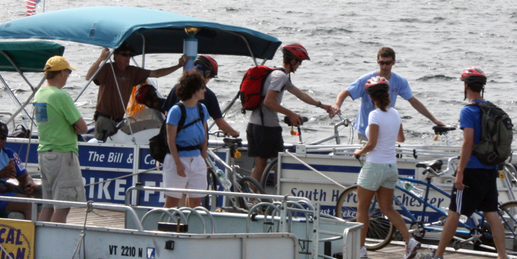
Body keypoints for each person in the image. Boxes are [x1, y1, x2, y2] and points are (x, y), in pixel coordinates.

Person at [419, 67, 514, 259]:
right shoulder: (492, 109)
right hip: (490, 168)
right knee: (492, 213)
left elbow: (468, 142)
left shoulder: (468, 111)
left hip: (472, 169)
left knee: (454, 213)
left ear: (466, 86)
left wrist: (460, 171)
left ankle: (438, 257)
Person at [246, 43, 339, 184]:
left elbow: (300, 94)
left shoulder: (276, 73)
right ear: (293, 61)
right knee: (278, 164)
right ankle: (278, 195)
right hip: (267, 128)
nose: (300, 65)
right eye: (300, 62)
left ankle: (252, 196)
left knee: (260, 165)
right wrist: (291, 114)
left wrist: (322, 105)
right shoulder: (280, 76)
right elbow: (268, 101)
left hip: (254, 125)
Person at [350, 76, 421, 259]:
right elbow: (401, 138)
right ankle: (409, 240)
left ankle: (360, 249)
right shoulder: (395, 113)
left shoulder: (374, 115)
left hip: (374, 166)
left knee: (362, 208)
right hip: (391, 167)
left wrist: (359, 151)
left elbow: (372, 144)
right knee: (387, 208)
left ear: (371, 97)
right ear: (388, 94)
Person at [333, 46, 445, 140]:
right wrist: (337, 105)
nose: (384, 66)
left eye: (388, 63)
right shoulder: (366, 79)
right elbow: (345, 92)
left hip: (385, 130)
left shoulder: (399, 81)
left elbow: (414, 101)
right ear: (377, 62)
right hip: (365, 129)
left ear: (393, 62)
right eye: (381, 63)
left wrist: (434, 120)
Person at [86, 44, 187, 141]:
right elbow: (88, 77)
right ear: (116, 56)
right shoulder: (108, 68)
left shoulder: (132, 71)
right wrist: (101, 58)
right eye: (125, 54)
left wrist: (178, 65)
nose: (128, 57)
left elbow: (156, 73)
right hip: (105, 119)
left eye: (130, 55)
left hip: (120, 120)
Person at [33, 56, 89, 223]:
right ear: (62, 73)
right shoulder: (60, 96)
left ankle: (41, 237)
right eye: (68, 72)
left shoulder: (39, 94)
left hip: (45, 154)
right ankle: (56, 238)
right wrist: (74, 127)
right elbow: (83, 127)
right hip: (63, 154)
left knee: (48, 205)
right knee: (63, 205)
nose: (68, 76)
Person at [161, 55, 239, 137]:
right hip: (196, 141)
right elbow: (220, 123)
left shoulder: (177, 88)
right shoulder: (208, 95)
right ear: (207, 74)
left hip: (174, 138)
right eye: (210, 77)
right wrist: (234, 132)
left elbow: (167, 114)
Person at [162, 72, 210, 208]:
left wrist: (203, 157)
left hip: (197, 158)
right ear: (194, 90)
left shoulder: (202, 109)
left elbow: (204, 135)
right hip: (177, 159)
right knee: (172, 202)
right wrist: (178, 163)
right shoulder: (176, 110)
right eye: (202, 87)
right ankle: (163, 222)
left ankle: (189, 222)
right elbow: (170, 140)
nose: (205, 90)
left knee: (196, 201)